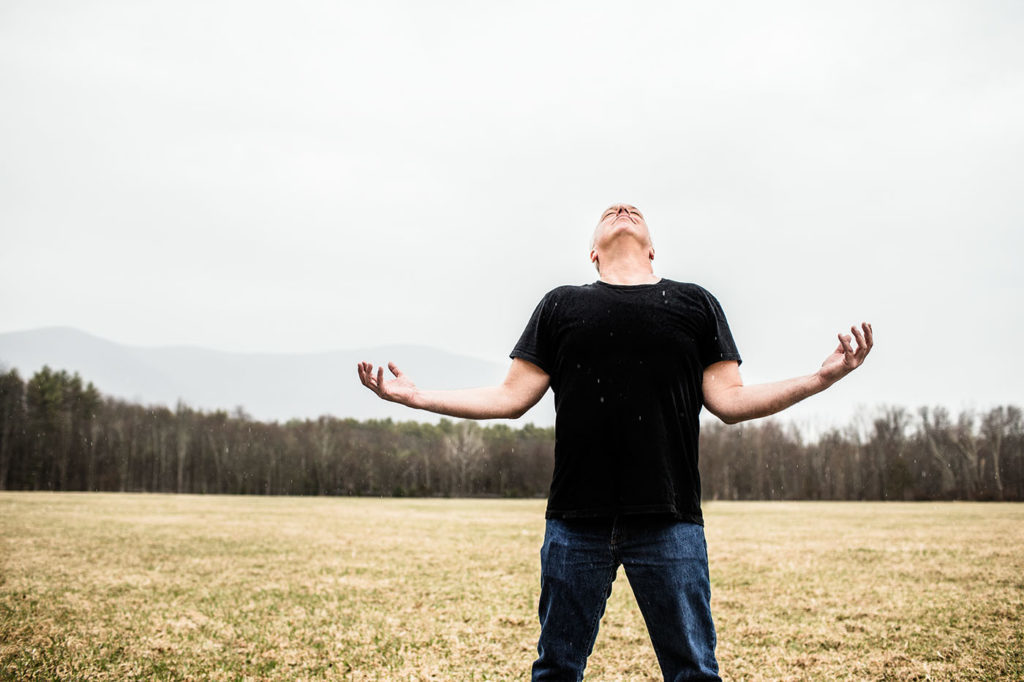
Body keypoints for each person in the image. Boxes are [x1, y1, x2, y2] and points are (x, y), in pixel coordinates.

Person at [356, 203, 873, 681]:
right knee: (556, 670)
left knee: (694, 672)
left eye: (633, 211)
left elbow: (731, 401)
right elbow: (510, 398)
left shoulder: (695, 303)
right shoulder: (560, 304)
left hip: (670, 521)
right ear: (593, 253)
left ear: (653, 250)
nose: (622, 209)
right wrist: (417, 398)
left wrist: (819, 379)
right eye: (610, 212)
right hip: (575, 523)